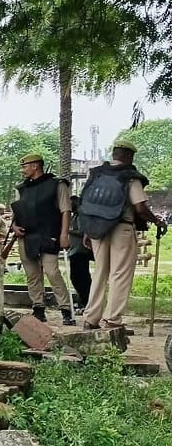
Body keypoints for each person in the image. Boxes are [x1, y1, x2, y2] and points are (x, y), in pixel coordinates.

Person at [82, 140, 168, 330]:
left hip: (97, 229)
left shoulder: (96, 174)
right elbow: (140, 207)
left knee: (99, 272)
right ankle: (111, 320)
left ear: (114, 154)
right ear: (129, 156)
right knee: (120, 274)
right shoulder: (130, 177)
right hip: (122, 229)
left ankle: (90, 318)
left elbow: (87, 204)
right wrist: (157, 221)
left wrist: (87, 231)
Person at [12, 153, 75, 325]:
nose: (23, 170)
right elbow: (16, 212)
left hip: (49, 234)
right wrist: (15, 227)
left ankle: (65, 309)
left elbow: (65, 210)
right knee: (32, 275)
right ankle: (38, 308)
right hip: (27, 236)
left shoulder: (57, 185)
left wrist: (64, 235)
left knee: (52, 272)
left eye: (25, 166)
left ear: (35, 166)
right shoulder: (22, 188)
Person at [68, 195, 93, 314]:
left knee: (79, 278)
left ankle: (87, 303)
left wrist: (66, 231)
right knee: (79, 278)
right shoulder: (75, 215)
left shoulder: (81, 214)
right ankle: (85, 302)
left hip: (80, 250)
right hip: (75, 249)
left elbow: (83, 231)